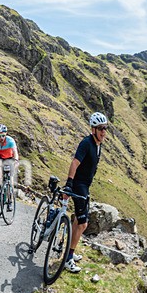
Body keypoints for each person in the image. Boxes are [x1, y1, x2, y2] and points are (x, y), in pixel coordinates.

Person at [62, 112, 108, 273]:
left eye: (105, 128)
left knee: (77, 222)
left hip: (85, 186)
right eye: (101, 128)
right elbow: (75, 162)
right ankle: (68, 259)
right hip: (78, 185)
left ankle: (69, 252)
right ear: (93, 129)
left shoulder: (98, 145)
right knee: (83, 223)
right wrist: (69, 183)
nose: (103, 132)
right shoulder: (86, 143)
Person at [0, 124, 19, 201]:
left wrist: (16, 160)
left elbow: (15, 152)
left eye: (3, 135)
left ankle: (10, 199)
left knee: (11, 179)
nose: (1, 138)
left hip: (9, 157)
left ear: (6, 134)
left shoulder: (10, 140)